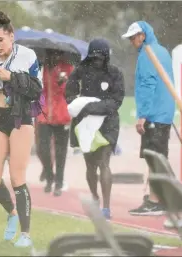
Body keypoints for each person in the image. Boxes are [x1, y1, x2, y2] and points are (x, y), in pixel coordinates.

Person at [0, 11, 42, 247]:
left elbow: (36, 90)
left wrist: (10, 77)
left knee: (16, 177)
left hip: (21, 117)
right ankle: (11, 212)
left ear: (11, 36)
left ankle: (25, 234)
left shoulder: (28, 55)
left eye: (0, 40)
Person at [66, 38, 125, 219]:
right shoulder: (80, 71)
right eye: (94, 57)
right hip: (84, 124)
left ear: (106, 57)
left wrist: (92, 107)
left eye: (100, 57)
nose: (97, 60)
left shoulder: (115, 73)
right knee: (91, 166)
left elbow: (117, 101)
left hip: (107, 123)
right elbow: (69, 95)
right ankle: (95, 198)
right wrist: (83, 107)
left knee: (103, 163)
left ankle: (106, 207)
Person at [121, 21, 175, 216]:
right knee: (159, 158)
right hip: (164, 112)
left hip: (153, 114)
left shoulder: (147, 54)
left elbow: (148, 85)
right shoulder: (163, 51)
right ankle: (160, 198)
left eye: (134, 37)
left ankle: (155, 201)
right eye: (130, 38)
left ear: (143, 35)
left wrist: (142, 115)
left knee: (154, 160)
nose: (131, 41)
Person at [36, 50, 73, 196]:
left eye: (57, 55)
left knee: (60, 151)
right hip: (44, 113)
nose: (54, 57)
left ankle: (59, 182)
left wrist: (64, 83)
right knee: (42, 148)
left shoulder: (67, 67)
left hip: (62, 113)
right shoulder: (41, 68)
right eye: (51, 55)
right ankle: (49, 176)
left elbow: (72, 89)